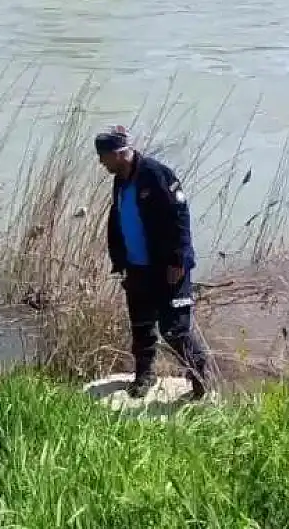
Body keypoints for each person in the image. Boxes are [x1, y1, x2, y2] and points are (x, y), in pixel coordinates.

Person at [96, 125, 209, 399]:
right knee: (141, 326)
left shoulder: (156, 175)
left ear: (120, 153)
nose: (101, 162)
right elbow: (119, 218)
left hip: (168, 268)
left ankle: (200, 377)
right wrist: (120, 261)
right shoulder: (120, 179)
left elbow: (179, 218)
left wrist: (178, 260)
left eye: (104, 156)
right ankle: (144, 376)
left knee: (174, 329)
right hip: (137, 268)